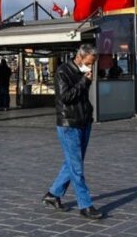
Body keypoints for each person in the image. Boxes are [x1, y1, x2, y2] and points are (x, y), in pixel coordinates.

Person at [42, 44, 103, 220]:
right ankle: (85, 205)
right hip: (69, 124)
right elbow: (66, 97)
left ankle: (53, 195)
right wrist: (84, 81)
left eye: (92, 64)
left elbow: (81, 97)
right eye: (89, 62)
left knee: (72, 163)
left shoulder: (83, 73)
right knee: (76, 167)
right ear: (79, 57)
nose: (90, 66)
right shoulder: (63, 72)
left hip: (84, 122)